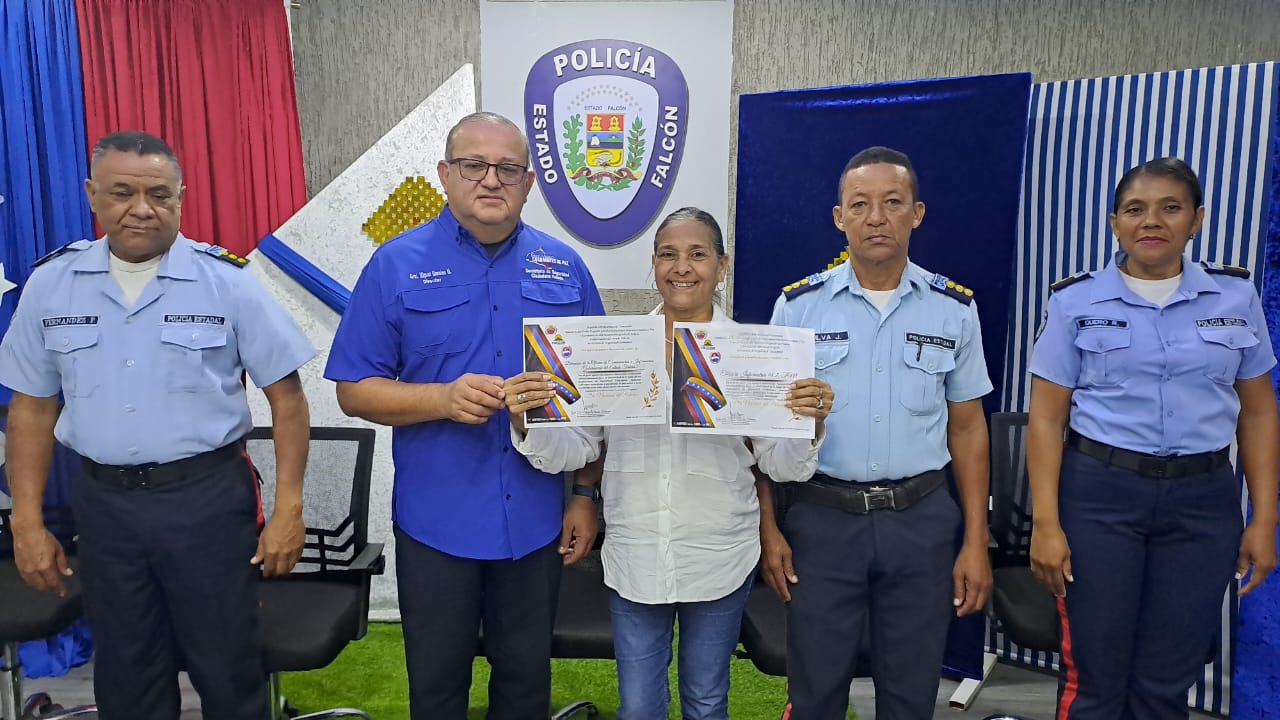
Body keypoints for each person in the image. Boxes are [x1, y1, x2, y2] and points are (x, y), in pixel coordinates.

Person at [0, 130, 314, 720]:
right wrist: (27, 521)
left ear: (181, 198)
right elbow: (32, 409)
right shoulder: (52, 285)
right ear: (92, 195)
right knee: (127, 671)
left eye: (160, 195)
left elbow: (289, 400)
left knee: (228, 666)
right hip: (105, 507)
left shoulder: (227, 281)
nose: (141, 209)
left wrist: (289, 509)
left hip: (206, 501)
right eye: (122, 193)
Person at [324, 111, 606, 719]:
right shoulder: (394, 265)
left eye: (508, 168)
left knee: (526, 687)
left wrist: (585, 495)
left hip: (535, 518)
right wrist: (441, 399)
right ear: (445, 175)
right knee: (437, 689)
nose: (491, 180)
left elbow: (599, 399)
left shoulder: (566, 268)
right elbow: (354, 389)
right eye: (474, 165)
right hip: (436, 521)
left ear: (529, 182)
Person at [505, 207, 833, 720]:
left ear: (722, 266)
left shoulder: (754, 353)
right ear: (654, 264)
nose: (682, 267)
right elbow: (579, 450)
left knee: (706, 702)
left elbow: (782, 466)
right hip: (636, 552)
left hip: (719, 554)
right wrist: (528, 420)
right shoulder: (616, 348)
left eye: (697, 254)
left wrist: (808, 423)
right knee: (639, 707)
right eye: (668, 255)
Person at [1027, 157, 1279, 720]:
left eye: (1171, 208)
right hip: (1100, 500)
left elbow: (1260, 413)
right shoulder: (1074, 302)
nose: (1152, 221)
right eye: (1135, 209)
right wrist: (1046, 523)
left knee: (1166, 681)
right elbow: (1045, 419)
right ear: (1115, 223)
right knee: (1097, 679)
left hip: (1202, 503)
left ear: (1197, 220)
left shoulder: (1235, 298)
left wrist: (1264, 518)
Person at [763, 146, 994, 719]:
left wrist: (975, 540)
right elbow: (764, 433)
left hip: (921, 521)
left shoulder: (953, 309)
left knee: (911, 695)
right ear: (839, 217)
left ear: (917, 213)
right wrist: (769, 529)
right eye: (860, 204)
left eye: (892, 203)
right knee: (815, 692)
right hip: (822, 519)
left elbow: (968, 430)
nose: (876, 218)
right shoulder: (798, 308)